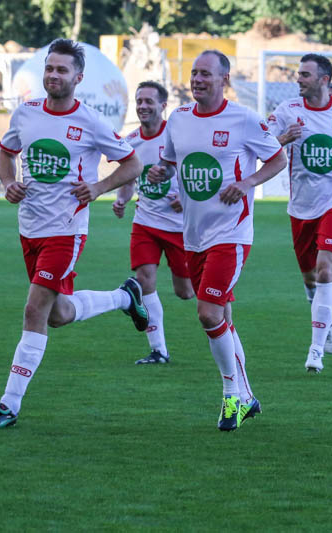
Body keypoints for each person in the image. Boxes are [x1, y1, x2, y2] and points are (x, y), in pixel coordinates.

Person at [0, 39, 146, 429]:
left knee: (34, 310)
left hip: (66, 231)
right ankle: (125, 297)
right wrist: (8, 183)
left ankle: (8, 405)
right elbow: (6, 152)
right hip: (29, 227)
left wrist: (99, 188)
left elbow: (133, 163)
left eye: (62, 70)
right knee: (57, 315)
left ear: (78, 78)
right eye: (49, 68)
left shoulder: (90, 121)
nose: (53, 75)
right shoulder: (26, 113)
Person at [147, 50, 286, 431]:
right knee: (222, 317)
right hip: (194, 235)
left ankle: (231, 397)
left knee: (208, 313)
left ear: (224, 79)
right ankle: (248, 396)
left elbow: (278, 159)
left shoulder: (243, 119)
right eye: (194, 73)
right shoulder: (178, 119)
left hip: (232, 233)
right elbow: (171, 163)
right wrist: (161, 173)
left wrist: (247, 182)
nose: (197, 79)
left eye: (206, 74)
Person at [266, 53, 332, 372]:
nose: (298, 79)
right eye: (299, 74)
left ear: (323, 80)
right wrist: (283, 139)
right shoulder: (287, 110)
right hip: (301, 205)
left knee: (325, 270)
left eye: (305, 74)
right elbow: (261, 144)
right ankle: (329, 317)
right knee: (310, 279)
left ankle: (315, 350)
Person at [113, 80, 195, 364]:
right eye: (139, 101)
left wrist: (186, 197)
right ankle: (159, 350)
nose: (143, 106)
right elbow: (128, 179)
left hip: (179, 226)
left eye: (149, 101)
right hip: (145, 223)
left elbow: (195, 170)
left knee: (185, 292)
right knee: (144, 281)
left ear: (163, 106)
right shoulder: (131, 141)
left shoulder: (178, 137)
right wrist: (122, 199)